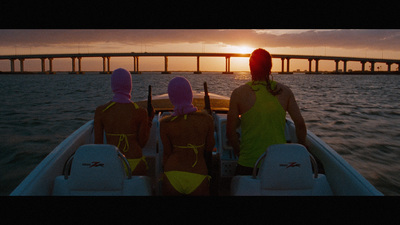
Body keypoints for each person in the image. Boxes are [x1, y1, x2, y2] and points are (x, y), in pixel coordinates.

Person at [226, 48, 307, 175]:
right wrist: (302, 149)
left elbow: (230, 132)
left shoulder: (238, 93)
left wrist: (238, 150)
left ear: (250, 67)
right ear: (270, 66)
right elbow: (300, 124)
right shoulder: (285, 91)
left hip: (248, 164)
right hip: (278, 163)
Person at [160, 77, 215, 196]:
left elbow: (167, 153)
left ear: (171, 98)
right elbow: (210, 148)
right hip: (198, 174)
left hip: (172, 175)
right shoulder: (207, 119)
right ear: (190, 95)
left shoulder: (165, 123)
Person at [94, 68, 154, 176]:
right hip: (135, 162)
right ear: (130, 86)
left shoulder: (101, 111)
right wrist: (149, 121)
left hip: (112, 162)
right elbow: (142, 143)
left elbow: (98, 145)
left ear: (113, 86)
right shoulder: (140, 112)